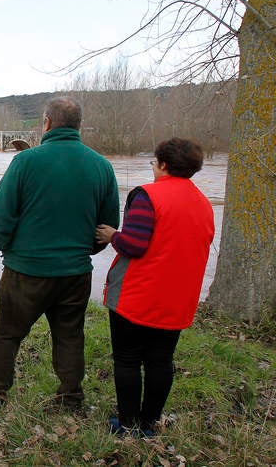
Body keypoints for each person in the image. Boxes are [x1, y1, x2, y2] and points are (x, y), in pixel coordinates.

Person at [0, 96, 120, 408]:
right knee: (70, 336)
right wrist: (87, 250)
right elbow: (109, 224)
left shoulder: (25, 162)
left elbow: (2, 216)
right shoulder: (102, 167)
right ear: (79, 126)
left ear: (46, 123)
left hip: (25, 271)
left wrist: (7, 247)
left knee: (6, 333)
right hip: (75, 272)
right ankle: (70, 398)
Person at [95, 137, 214, 437]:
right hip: (178, 299)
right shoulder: (203, 202)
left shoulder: (147, 196)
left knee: (128, 359)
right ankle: (149, 425)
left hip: (138, 297)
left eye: (153, 162)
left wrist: (112, 235)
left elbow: (134, 245)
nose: (152, 168)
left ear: (163, 164)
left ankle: (126, 424)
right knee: (161, 361)